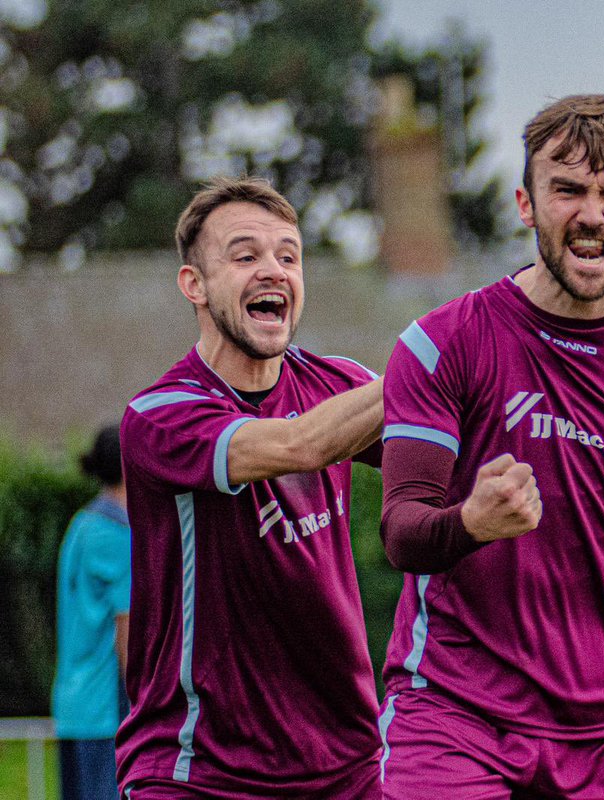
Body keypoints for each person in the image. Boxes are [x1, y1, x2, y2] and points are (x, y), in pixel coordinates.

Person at [375, 94, 604, 798]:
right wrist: (470, 524)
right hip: (450, 715)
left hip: (597, 734)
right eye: (567, 189)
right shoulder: (443, 343)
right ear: (526, 203)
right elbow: (401, 531)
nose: (590, 213)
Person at [115, 176, 384, 798]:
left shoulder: (337, 383)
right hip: (201, 772)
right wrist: (447, 350)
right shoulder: (160, 414)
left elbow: (448, 457)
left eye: (288, 256)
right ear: (195, 285)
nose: (273, 270)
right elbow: (297, 446)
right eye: (245, 256)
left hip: (347, 767)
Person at [52, 424, 131, 800]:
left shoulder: (81, 525)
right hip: (106, 717)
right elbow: (127, 638)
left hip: (71, 709)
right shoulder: (118, 536)